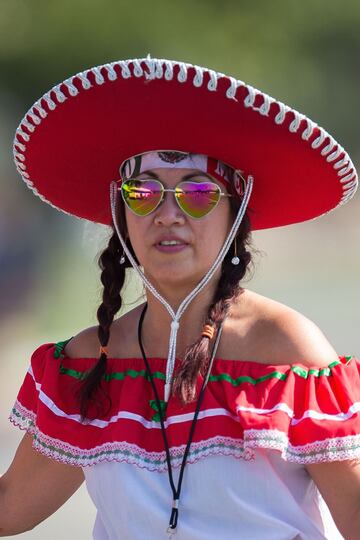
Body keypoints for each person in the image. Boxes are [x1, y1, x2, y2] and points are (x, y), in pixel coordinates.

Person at [1, 56, 359, 540]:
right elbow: (11, 508)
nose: (167, 214)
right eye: (143, 193)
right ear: (121, 211)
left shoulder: (284, 348)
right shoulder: (88, 366)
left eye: (196, 194)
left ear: (235, 214)